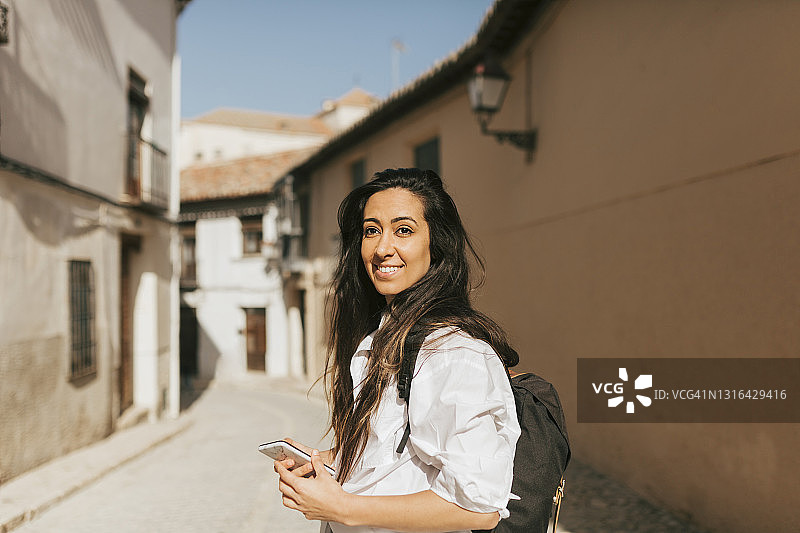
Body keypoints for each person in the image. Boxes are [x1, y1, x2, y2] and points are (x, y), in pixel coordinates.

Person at [274, 168, 520, 533]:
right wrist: (334, 462)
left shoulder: (454, 353)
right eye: (372, 230)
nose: (382, 247)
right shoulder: (381, 338)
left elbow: (477, 507)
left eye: (403, 230)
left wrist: (343, 507)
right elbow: (399, 457)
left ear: (436, 244)